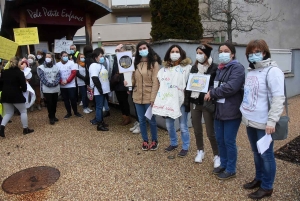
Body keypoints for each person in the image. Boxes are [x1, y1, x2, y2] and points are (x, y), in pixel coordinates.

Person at [240, 39, 285, 200]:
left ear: (264, 52)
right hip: (250, 121)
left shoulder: (273, 71)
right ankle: (259, 178)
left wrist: (272, 121)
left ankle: (267, 187)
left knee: (266, 155)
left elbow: (278, 98)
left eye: (257, 52)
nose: (253, 55)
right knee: (256, 153)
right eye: (250, 53)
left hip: (264, 123)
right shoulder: (251, 71)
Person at [204, 42, 245, 180]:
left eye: (226, 51)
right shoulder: (221, 68)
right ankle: (224, 164)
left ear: (232, 54)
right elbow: (215, 84)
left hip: (231, 111)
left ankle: (231, 169)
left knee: (229, 141)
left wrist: (213, 92)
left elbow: (231, 87)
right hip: (219, 110)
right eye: (220, 51)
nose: (222, 53)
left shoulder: (237, 68)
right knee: (220, 140)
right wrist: (210, 89)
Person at [152, 45, 192, 157]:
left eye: (177, 51)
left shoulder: (187, 68)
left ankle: (185, 146)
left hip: (182, 102)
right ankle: (173, 143)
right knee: (169, 125)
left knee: (183, 126)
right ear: (169, 54)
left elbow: (190, 84)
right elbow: (159, 84)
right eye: (172, 51)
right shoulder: (163, 70)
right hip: (168, 102)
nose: (174, 53)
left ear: (181, 53)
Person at [184, 44, 220, 167]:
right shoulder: (194, 68)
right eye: (197, 53)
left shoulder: (214, 68)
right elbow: (189, 87)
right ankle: (200, 150)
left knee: (210, 132)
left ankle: (217, 155)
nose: (198, 55)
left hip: (207, 103)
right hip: (195, 102)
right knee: (197, 130)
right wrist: (187, 103)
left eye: (201, 53)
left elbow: (215, 86)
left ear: (207, 54)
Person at [125, 41, 160, 150]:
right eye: (140, 49)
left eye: (144, 48)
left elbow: (156, 82)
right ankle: (145, 140)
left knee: (151, 120)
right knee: (141, 120)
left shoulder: (154, 63)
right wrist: (128, 82)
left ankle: (155, 140)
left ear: (148, 49)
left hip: (149, 97)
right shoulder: (136, 63)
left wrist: (153, 98)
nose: (142, 50)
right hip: (137, 96)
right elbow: (134, 80)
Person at [0, 57, 34, 137]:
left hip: (5, 95)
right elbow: (24, 88)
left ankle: (1, 128)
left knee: (8, 113)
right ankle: (25, 129)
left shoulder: (4, 72)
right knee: (23, 111)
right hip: (16, 95)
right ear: (18, 63)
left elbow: (0, 86)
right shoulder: (20, 73)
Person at [57, 51, 83, 119]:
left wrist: (67, 81)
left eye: (66, 56)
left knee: (73, 98)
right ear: (60, 56)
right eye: (64, 56)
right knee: (65, 100)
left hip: (71, 85)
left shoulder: (71, 63)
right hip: (62, 85)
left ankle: (76, 112)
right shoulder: (57, 65)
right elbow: (56, 75)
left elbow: (73, 73)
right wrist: (60, 81)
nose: (65, 57)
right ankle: (69, 113)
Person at [89, 48, 110, 131]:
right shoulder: (93, 66)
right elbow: (95, 78)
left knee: (101, 107)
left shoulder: (101, 65)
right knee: (99, 107)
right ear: (96, 58)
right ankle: (99, 124)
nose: (102, 58)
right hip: (99, 91)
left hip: (104, 90)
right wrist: (100, 90)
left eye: (103, 56)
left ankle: (101, 121)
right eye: (100, 56)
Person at [37, 53, 61, 125]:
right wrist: (49, 84)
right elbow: (42, 78)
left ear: (52, 58)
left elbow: (58, 76)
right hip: (47, 89)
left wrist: (55, 83)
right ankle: (51, 117)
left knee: (54, 103)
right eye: (47, 57)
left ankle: (54, 115)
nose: (48, 58)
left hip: (55, 88)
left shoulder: (56, 67)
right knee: (49, 103)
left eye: (49, 57)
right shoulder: (41, 68)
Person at [111, 44, 131, 126]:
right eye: (116, 50)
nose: (117, 52)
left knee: (124, 102)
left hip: (124, 84)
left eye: (119, 50)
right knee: (120, 102)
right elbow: (113, 71)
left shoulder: (126, 58)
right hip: (117, 84)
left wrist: (128, 87)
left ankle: (127, 118)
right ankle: (124, 117)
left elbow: (128, 73)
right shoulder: (115, 58)